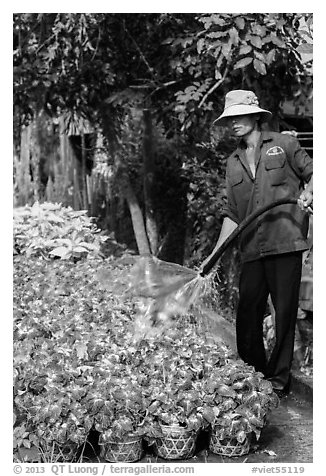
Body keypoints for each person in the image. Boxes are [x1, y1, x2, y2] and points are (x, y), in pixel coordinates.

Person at [200, 90, 313, 397]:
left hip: (285, 242)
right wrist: (213, 257)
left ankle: (278, 382)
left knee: (285, 313)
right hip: (252, 248)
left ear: (255, 115)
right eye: (230, 118)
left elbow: (314, 173)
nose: (234, 123)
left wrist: (310, 192)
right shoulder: (233, 162)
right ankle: (255, 377)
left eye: (239, 116)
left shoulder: (284, 144)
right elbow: (233, 215)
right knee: (247, 312)